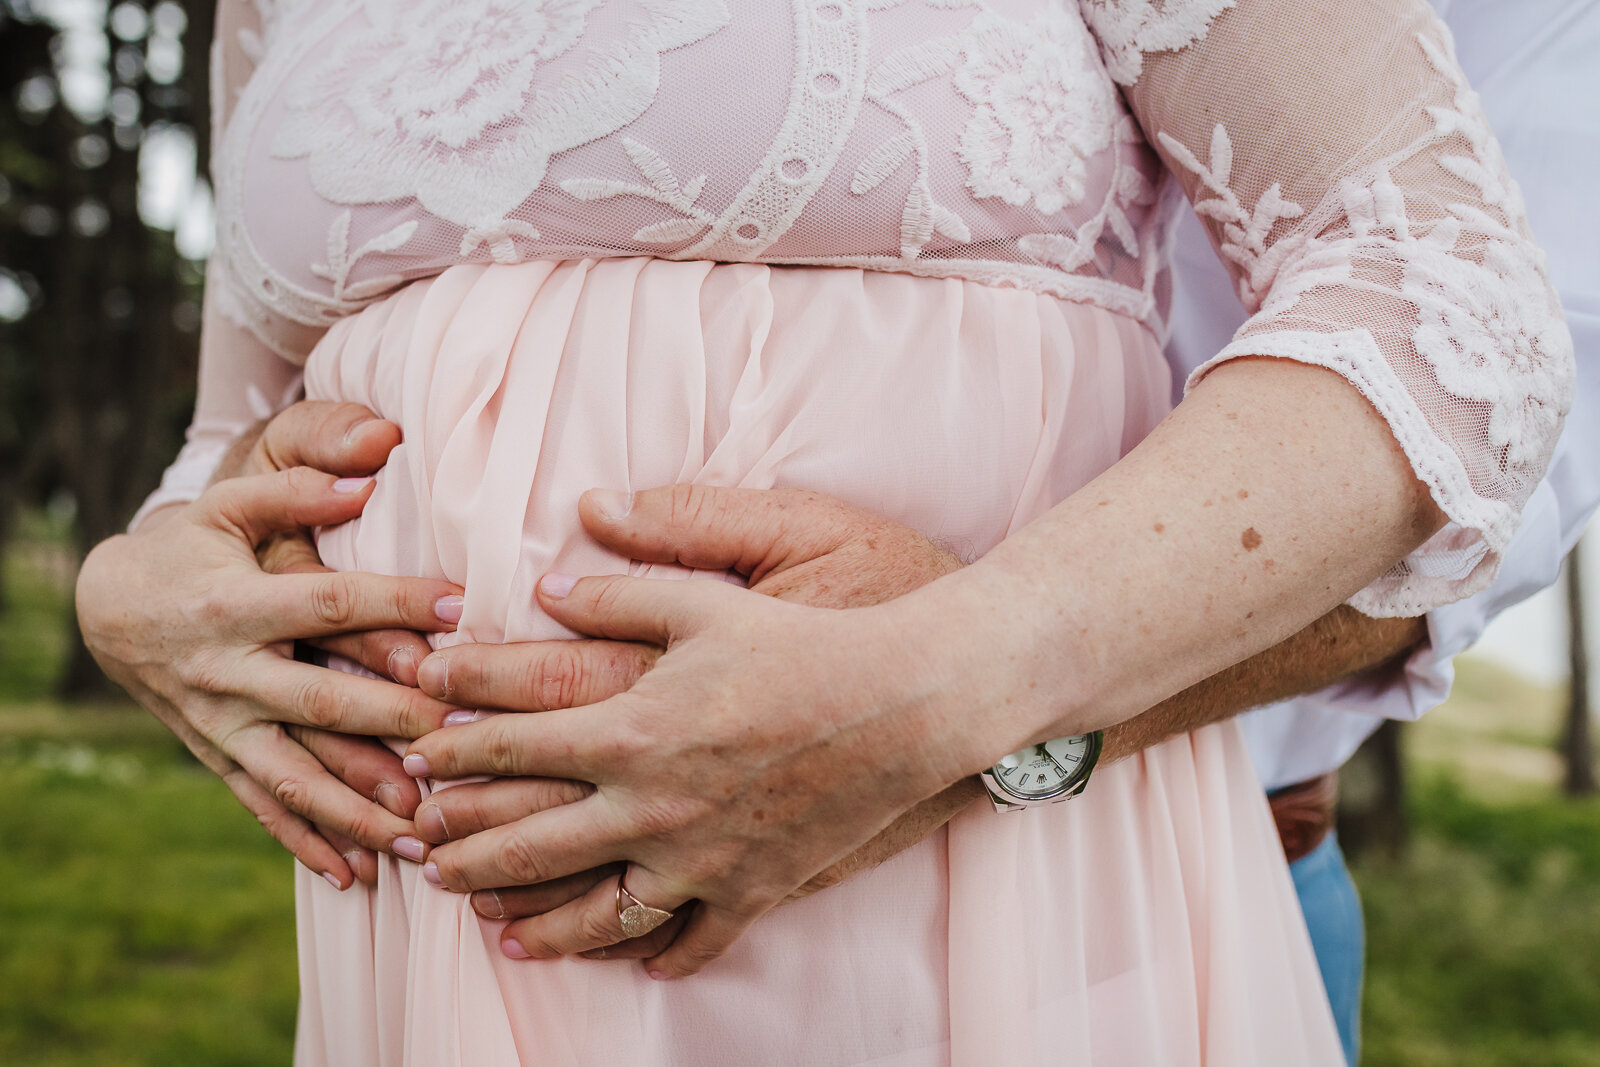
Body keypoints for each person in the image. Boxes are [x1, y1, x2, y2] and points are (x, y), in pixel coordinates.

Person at [74, 1, 1572, 1063]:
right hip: (430, 953)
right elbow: (237, 428)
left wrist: (948, 684)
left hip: (965, 909)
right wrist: (135, 585)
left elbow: (1452, 302)